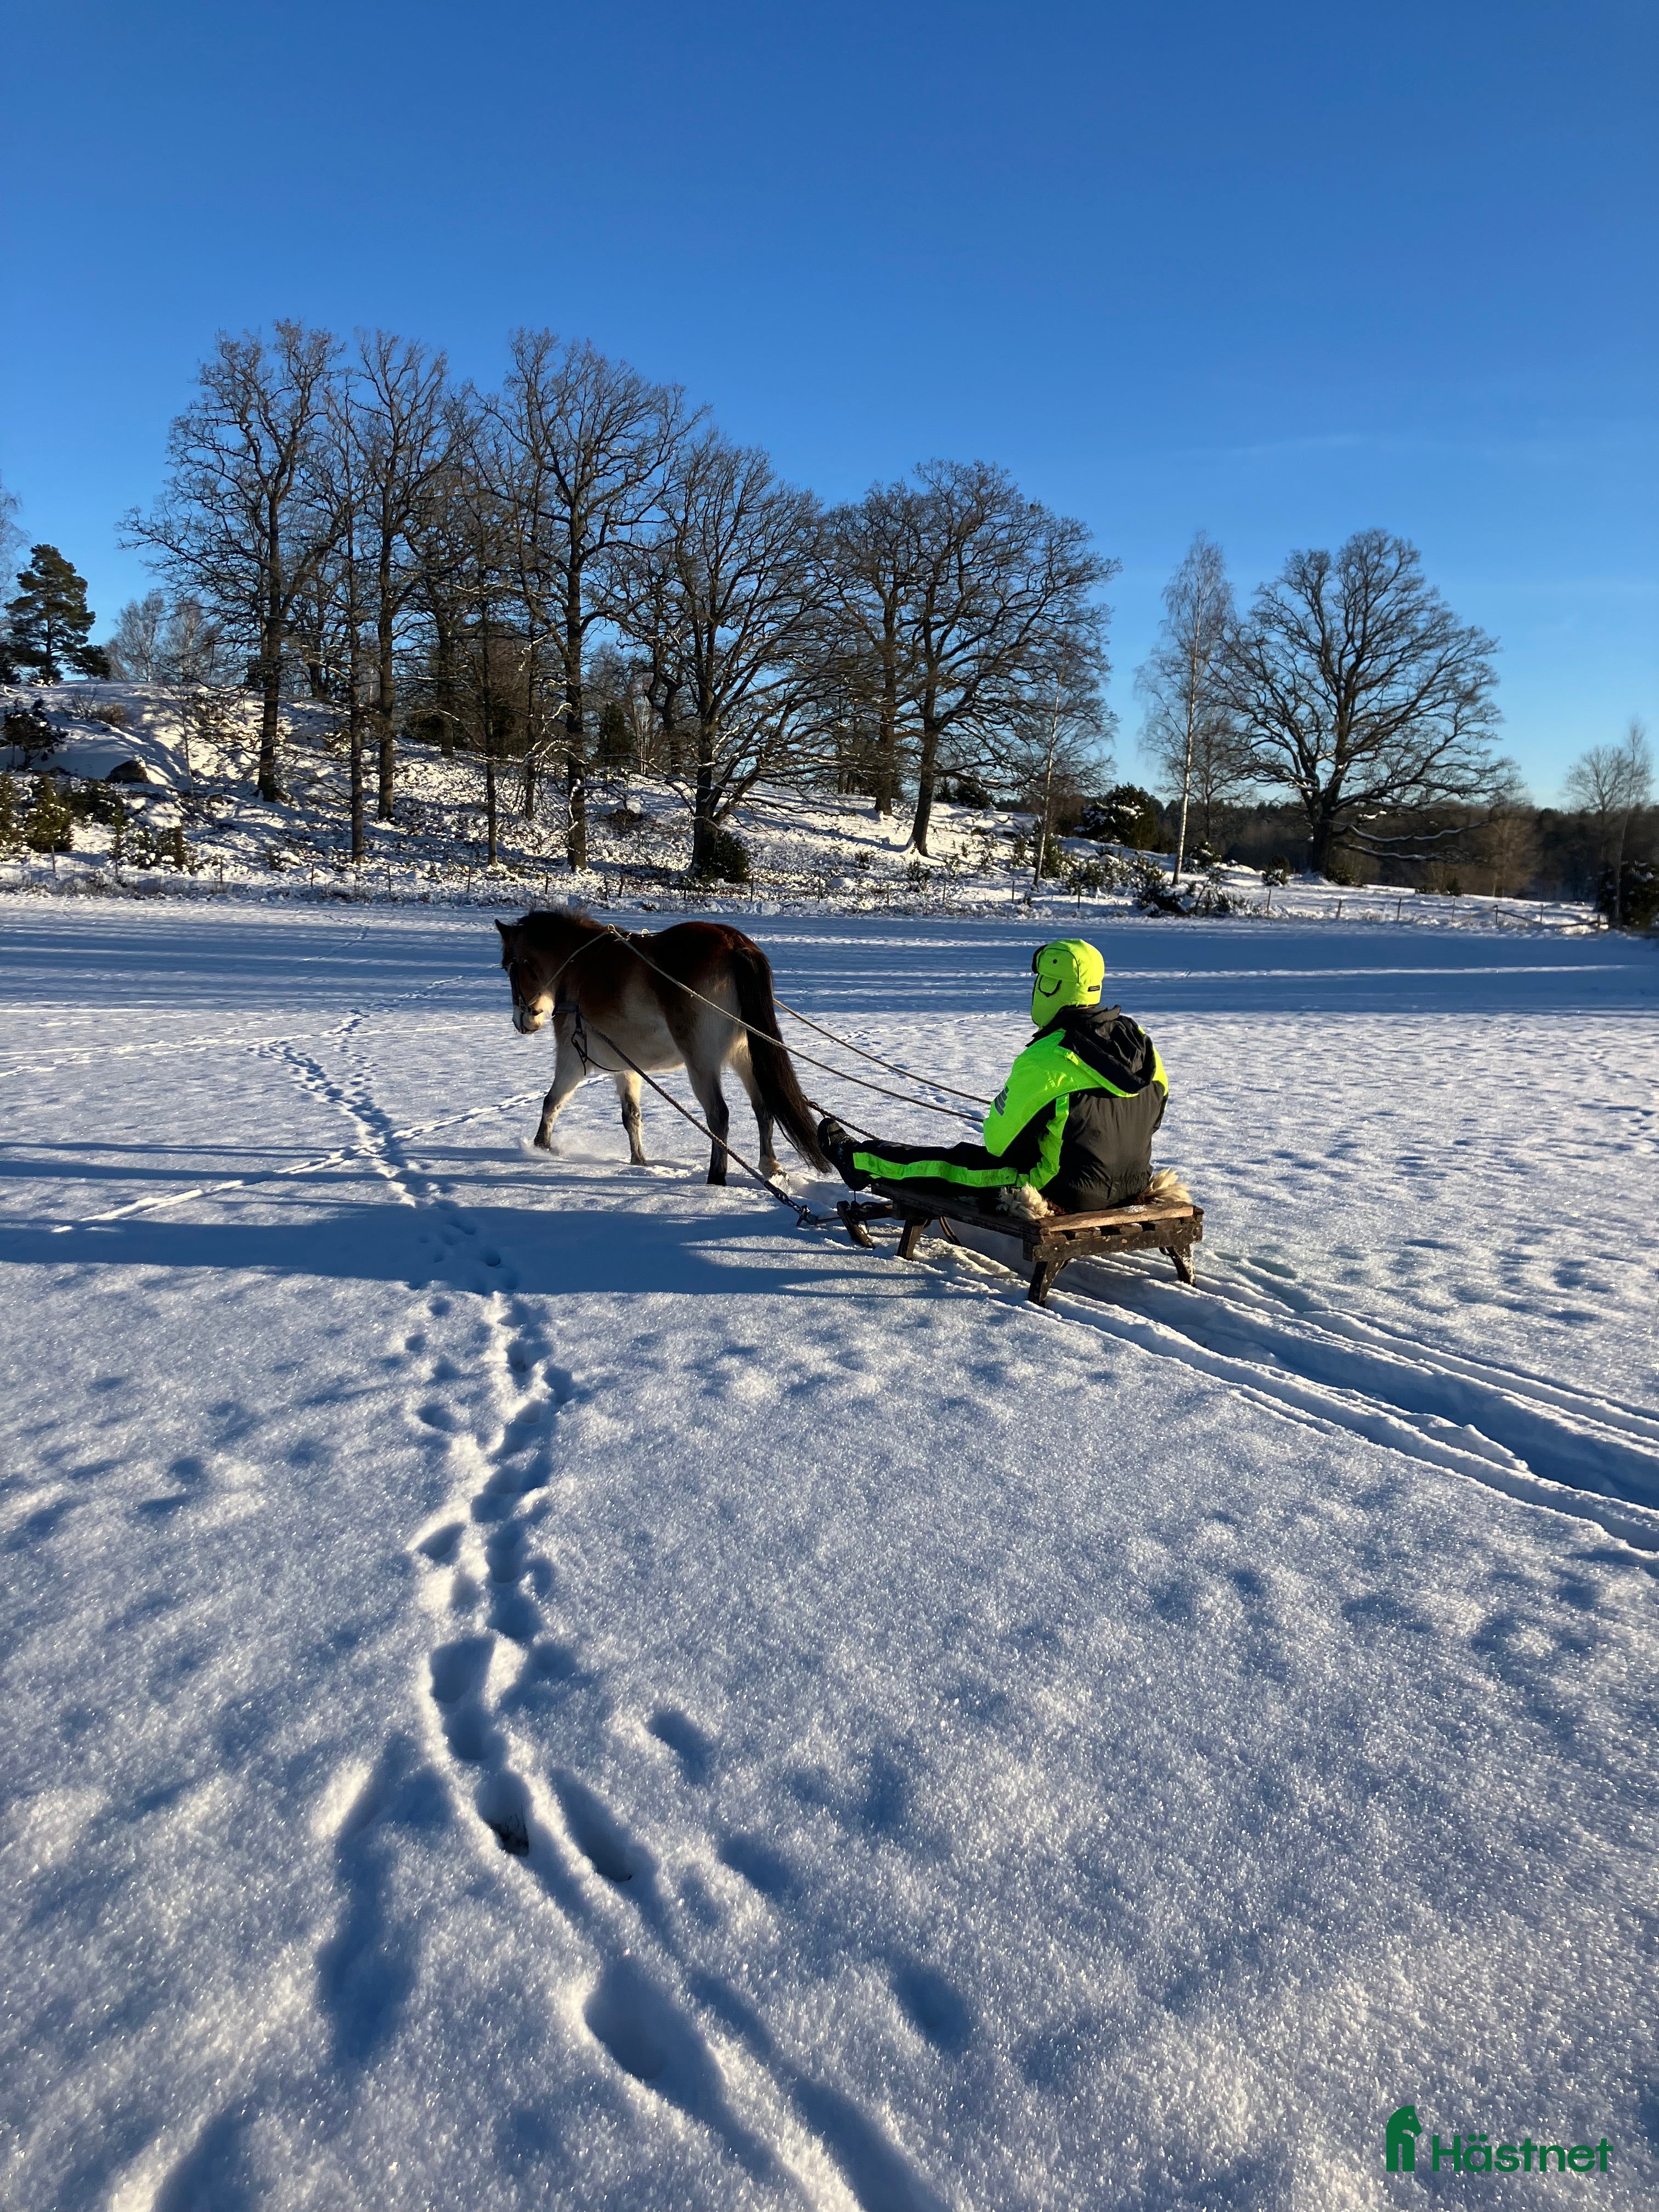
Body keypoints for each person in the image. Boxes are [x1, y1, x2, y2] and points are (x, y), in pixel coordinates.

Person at [817, 939, 1170, 1217]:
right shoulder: (1139, 1042)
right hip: (1132, 1183)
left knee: (951, 1165)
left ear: (1050, 987)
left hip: (1061, 1192)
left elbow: (997, 1142)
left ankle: (856, 1160)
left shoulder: (1049, 1056)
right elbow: (1151, 1119)